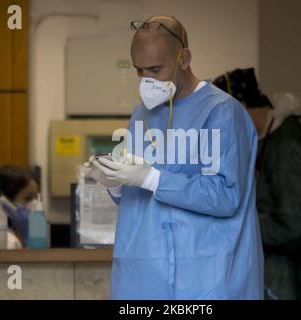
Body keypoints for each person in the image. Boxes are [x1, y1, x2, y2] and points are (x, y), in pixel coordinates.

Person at [86, 16, 263, 299]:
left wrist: (153, 178)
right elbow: (136, 194)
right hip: (144, 279)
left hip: (207, 278)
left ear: (184, 58)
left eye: (155, 69)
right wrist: (115, 182)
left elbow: (226, 196)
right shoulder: (141, 115)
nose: (147, 80)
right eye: (139, 71)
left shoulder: (221, 112)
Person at [213, 68, 301, 300]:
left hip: (284, 278)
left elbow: (299, 227)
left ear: (241, 106)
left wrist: (238, 225)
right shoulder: (270, 140)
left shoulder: (287, 147)